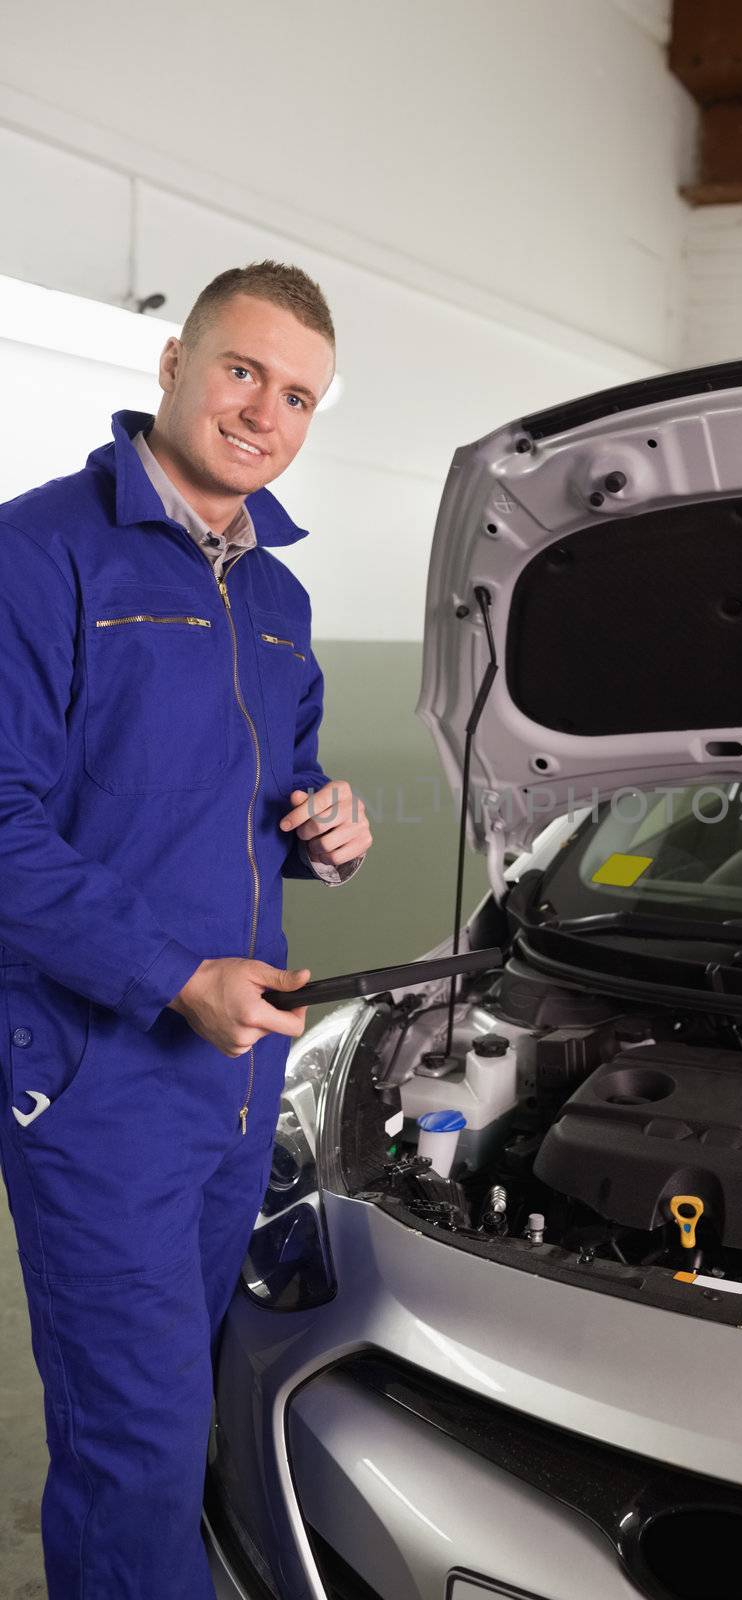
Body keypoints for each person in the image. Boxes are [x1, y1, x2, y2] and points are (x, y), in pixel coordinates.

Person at [0, 259, 372, 1598]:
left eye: (299, 396)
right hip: (99, 1075)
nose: (265, 412)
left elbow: (277, 783)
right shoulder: (37, 552)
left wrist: (323, 825)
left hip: (234, 1069)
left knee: (198, 1397)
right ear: (171, 366)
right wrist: (175, 975)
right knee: (137, 1445)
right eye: (241, 370)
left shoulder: (276, 595)